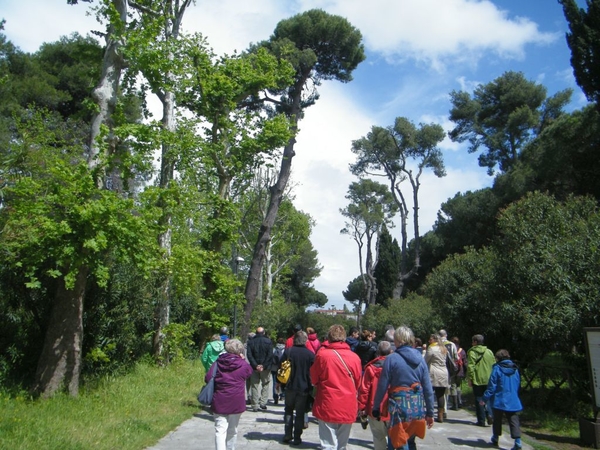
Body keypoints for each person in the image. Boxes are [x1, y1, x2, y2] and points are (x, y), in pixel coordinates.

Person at [372, 326, 435, 450]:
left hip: (398, 408)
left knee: (399, 441)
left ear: (397, 340)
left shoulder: (391, 359)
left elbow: (382, 386)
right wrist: (430, 412)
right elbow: (428, 388)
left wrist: (376, 407)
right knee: (411, 440)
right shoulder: (420, 360)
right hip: (417, 408)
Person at [310, 324, 362, 450]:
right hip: (347, 403)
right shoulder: (355, 357)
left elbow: (314, 379)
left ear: (329, 337)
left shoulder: (322, 356)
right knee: (342, 444)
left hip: (327, 401)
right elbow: (358, 382)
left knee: (328, 444)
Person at [207, 338, 252, 450]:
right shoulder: (243, 364)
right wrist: (243, 360)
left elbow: (208, 378)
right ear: (240, 351)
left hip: (220, 399)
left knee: (220, 430)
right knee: (233, 430)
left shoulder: (218, 362)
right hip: (236, 400)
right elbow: (249, 372)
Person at [482, 349, 523, 450]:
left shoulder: (497, 369)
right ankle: (517, 441)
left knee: (497, 419)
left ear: (498, 358)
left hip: (499, 398)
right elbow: (518, 384)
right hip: (512, 398)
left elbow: (492, 386)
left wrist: (485, 398)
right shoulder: (515, 369)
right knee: (514, 420)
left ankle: (495, 438)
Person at [281, 330, 316, 446]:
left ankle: (287, 434)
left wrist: (279, 384)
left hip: (289, 386)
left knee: (288, 410)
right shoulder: (310, 355)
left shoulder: (288, 351)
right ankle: (297, 437)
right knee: (300, 413)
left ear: (294, 339)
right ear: (306, 341)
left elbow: (281, 368)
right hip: (304, 387)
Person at [357, 340, 394, 450]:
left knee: (378, 437)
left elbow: (364, 390)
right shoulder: (396, 367)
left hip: (375, 408)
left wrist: (362, 408)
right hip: (392, 407)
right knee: (394, 437)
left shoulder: (370, 368)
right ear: (391, 352)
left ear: (378, 352)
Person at [467, 334, 496, 427]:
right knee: (487, 398)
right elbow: (494, 364)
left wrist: (470, 378)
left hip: (477, 379)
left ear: (475, 342)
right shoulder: (489, 352)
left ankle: (481, 420)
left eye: (472, 341)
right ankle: (490, 415)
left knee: (479, 399)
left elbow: (471, 366)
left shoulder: (472, 352)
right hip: (488, 378)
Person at [246, 326, 273, 412]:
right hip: (265, 368)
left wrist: (256, 365)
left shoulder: (251, 342)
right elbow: (270, 355)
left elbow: (249, 355)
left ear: (256, 333)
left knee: (254, 385)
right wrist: (263, 366)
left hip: (254, 367)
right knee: (265, 384)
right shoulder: (268, 342)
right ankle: (263, 403)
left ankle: (254, 405)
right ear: (264, 332)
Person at [424, 334, 449, 423]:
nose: (429, 340)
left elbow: (425, 360)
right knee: (440, 395)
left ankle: (429, 413)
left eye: (430, 339)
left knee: (429, 393)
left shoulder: (431, 348)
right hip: (444, 372)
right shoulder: (444, 349)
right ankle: (440, 415)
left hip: (433, 373)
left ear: (434, 340)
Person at [449, 336, 467, 410]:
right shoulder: (462, 350)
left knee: (453, 386)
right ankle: (460, 402)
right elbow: (465, 362)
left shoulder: (450, 350)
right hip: (460, 370)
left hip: (453, 370)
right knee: (458, 386)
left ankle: (455, 404)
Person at [272, 337, 286, 405]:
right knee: (283, 382)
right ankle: (282, 395)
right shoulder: (285, 349)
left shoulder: (274, 349)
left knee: (275, 383)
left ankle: (275, 397)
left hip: (274, 368)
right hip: (283, 368)